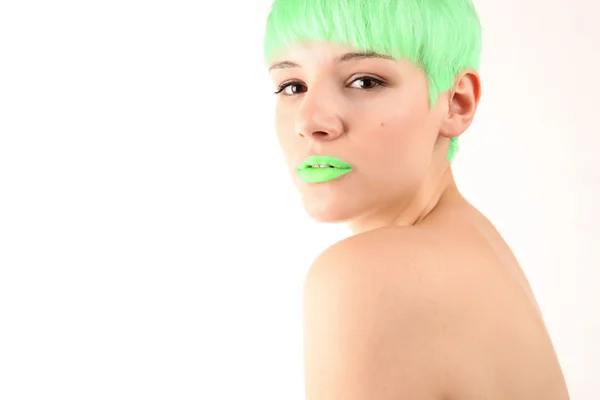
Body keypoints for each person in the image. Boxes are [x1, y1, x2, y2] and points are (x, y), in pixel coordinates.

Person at [263, 0, 570, 398]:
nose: (309, 122)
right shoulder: (477, 246)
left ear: (457, 102)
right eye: (293, 87)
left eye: (364, 81)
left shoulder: (362, 276)